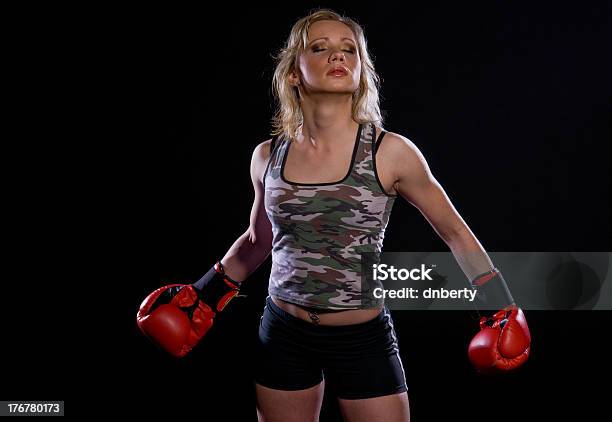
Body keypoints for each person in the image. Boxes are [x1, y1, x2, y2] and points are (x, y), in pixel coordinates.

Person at [137, 8, 531, 422]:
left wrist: (499, 308)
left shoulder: (390, 152)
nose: (338, 57)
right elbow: (257, 242)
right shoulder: (267, 157)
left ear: (361, 71)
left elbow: (454, 232)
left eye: (349, 50)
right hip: (283, 333)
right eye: (320, 48)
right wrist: (201, 297)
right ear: (293, 73)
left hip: (362, 337)